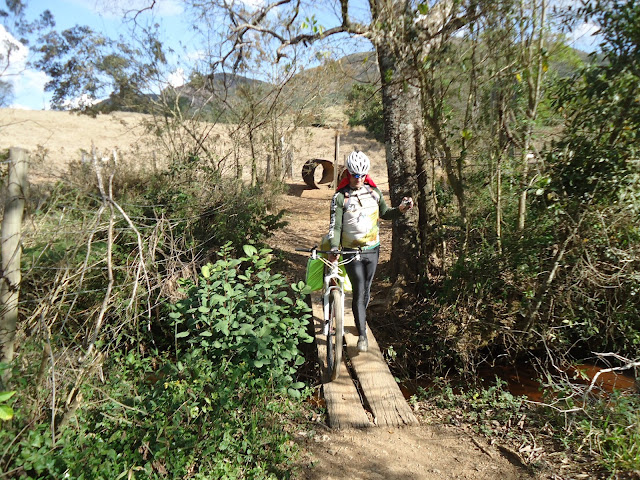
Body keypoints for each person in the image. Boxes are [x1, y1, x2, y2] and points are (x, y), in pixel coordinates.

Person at [327, 150, 413, 353]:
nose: (358, 179)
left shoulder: (374, 192)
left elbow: (385, 213)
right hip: (351, 251)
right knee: (358, 289)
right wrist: (334, 247)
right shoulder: (340, 197)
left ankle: (360, 318)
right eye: (355, 175)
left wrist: (401, 209)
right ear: (348, 173)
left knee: (366, 289)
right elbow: (335, 226)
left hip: (372, 249)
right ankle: (363, 335)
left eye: (362, 175)